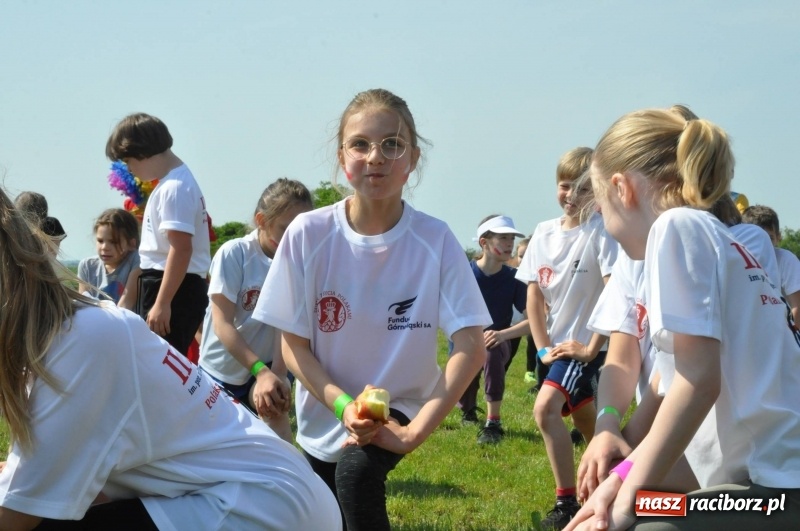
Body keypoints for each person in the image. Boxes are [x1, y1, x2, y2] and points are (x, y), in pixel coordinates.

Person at [0, 186, 340, 530]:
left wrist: (263, 370)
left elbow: (17, 517)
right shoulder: (73, 330)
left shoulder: (78, 344)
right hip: (260, 490)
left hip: (265, 507)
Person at [252, 88, 490, 531]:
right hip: (326, 412)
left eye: (392, 144)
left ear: (413, 158)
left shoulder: (435, 240)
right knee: (327, 516)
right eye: (360, 144)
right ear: (342, 156)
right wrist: (343, 407)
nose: (375, 156)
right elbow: (293, 347)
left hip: (398, 405)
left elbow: (471, 347)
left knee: (356, 475)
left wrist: (410, 433)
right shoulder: (307, 233)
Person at [564, 109, 800, 531]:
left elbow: (699, 383)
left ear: (621, 189)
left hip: (772, 496)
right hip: (760, 488)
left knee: (642, 523)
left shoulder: (675, 228)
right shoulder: (712, 233)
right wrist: (615, 485)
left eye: (599, 208)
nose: (606, 226)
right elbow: (675, 387)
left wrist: (622, 509)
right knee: (628, 508)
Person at [516, 146, 618, 530]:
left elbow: (614, 291)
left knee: (544, 410)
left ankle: (567, 503)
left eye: (583, 188)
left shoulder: (602, 232)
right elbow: (533, 296)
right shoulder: (542, 232)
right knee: (587, 419)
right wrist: (541, 348)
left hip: (580, 349)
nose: (572, 196)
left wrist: (591, 347)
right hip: (555, 349)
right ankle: (619, 472)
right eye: (565, 186)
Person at [199, 178, 313, 443]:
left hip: (266, 367)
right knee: (221, 447)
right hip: (220, 372)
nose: (294, 239)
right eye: (286, 229)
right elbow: (222, 324)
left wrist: (278, 375)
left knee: (276, 416)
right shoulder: (235, 254)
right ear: (261, 220)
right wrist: (260, 370)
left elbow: (284, 324)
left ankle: (290, 480)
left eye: (301, 230)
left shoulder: (298, 262)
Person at [106, 113, 211, 357]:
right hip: (168, 285)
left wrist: (162, 303)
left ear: (141, 152)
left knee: (159, 367)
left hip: (173, 289)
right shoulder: (172, 183)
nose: (129, 169)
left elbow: (181, 248)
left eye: (128, 161)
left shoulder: (175, 187)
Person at [456, 215, 529, 444]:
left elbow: (535, 321)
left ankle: (493, 422)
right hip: (464, 340)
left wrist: (502, 334)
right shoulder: (463, 275)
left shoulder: (516, 278)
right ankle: (467, 409)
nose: (510, 244)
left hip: (499, 341)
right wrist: (472, 337)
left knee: (492, 350)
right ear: (483, 243)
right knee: (471, 357)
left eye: (511, 238)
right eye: (503, 238)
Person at [742, 204, 800, 326]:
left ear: (779, 238)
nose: (763, 244)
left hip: (780, 329)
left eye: (769, 238)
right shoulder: (737, 261)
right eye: (756, 239)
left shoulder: (785, 259)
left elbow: (797, 306)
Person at [77, 208, 141, 306]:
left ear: (131, 244)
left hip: (125, 320)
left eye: (113, 242)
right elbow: (83, 306)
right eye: (100, 241)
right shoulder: (87, 266)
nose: (104, 247)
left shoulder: (137, 260)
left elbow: (126, 305)